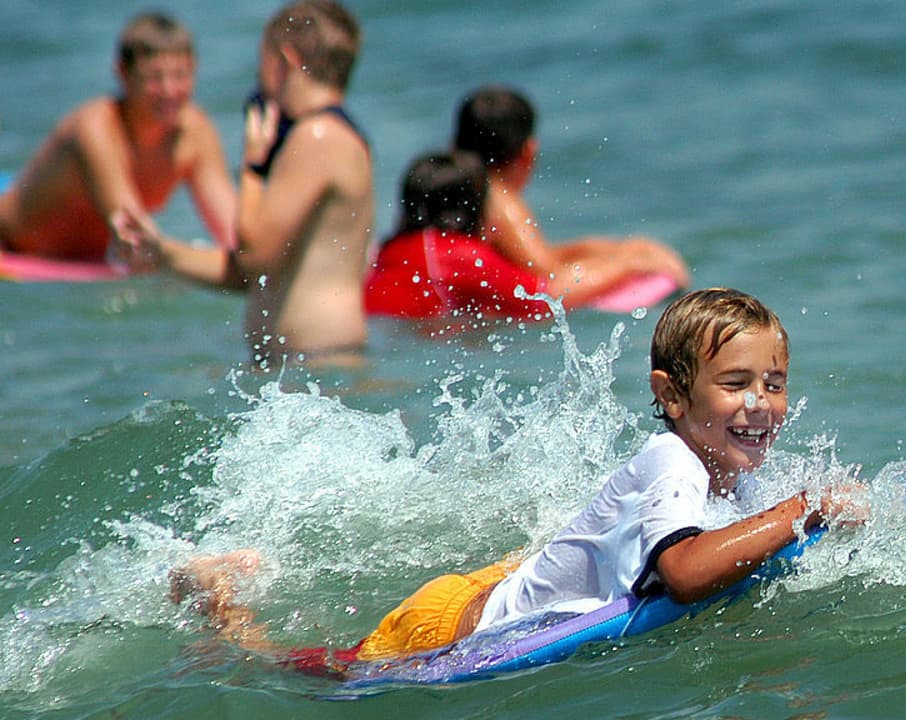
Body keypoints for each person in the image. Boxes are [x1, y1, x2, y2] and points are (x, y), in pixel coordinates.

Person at [169, 288, 848, 675]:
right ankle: (219, 608)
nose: (761, 404)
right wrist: (806, 508)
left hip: (497, 587)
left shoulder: (727, 472)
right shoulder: (674, 461)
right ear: (672, 396)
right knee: (321, 677)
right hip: (445, 630)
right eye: (735, 384)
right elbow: (683, 573)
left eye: (775, 384)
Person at [112, 0, 373, 368]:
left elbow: (253, 259)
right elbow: (253, 273)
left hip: (317, 363)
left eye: (261, 62)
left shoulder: (316, 137)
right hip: (313, 364)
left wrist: (252, 165)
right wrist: (162, 252)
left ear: (283, 60)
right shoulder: (332, 136)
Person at [0, 12, 235, 262]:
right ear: (123, 73)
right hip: (11, 243)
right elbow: (133, 234)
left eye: (180, 75)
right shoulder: (95, 128)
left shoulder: (195, 133)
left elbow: (234, 232)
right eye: (154, 78)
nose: (169, 91)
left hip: (84, 258)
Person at [452, 85, 691, 304]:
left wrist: (598, 249)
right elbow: (550, 279)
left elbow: (524, 256)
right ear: (528, 151)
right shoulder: (500, 200)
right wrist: (632, 264)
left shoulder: (460, 187)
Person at [363, 149, 556, 327]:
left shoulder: (389, 251)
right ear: (473, 207)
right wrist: (587, 268)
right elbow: (547, 300)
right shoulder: (455, 253)